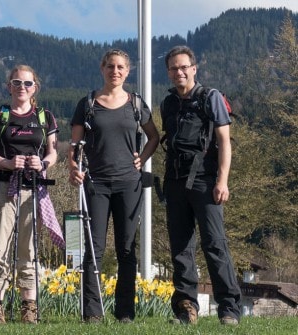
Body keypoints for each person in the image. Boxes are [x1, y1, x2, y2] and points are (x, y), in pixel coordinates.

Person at [68, 49, 159, 323]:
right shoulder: (87, 104)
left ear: (127, 71)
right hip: (95, 184)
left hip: (129, 184)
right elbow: (74, 147)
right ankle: (92, 313)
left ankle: (125, 313)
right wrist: (74, 168)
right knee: (93, 249)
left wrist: (141, 159)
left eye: (120, 67)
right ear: (102, 68)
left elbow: (154, 137)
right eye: (110, 66)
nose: (115, 71)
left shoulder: (136, 104)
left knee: (127, 250)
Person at [160, 45, 242, 325]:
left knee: (214, 244)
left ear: (194, 69)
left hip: (206, 182)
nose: (179, 72)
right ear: (169, 72)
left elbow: (224, 142)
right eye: (173, 68)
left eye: (184, 67)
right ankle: (186, 310)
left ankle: (229, 309)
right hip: (174, 182)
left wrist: (222, 181)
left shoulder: (211, 98)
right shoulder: (168, 103)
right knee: (180, 248)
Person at [0, 64, 64, 324]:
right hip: (3, 186)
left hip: (32, 187)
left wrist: (44, 164)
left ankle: (29, 307)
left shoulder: (44, 116)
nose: (22, 88)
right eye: (17, 83)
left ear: (35, 87)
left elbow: (53, 152)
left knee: (29, 248)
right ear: (9, 86)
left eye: (27, 84)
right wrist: (6, 163)